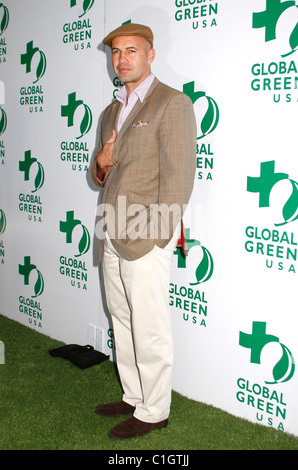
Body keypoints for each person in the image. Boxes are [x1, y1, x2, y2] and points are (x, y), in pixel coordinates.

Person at [91, 23, 197, 439]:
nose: (122, 59)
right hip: (110, 231)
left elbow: (179, 177)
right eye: (116, 52)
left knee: (149, 324)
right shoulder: (111, 111)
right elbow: (101, 175)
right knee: (121, 319)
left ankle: (155, 410)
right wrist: (101, 160)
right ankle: (134, 396)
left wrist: (155, 236)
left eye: (130, 51)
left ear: (150, 55)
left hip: (145, 236)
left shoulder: (172, 103)